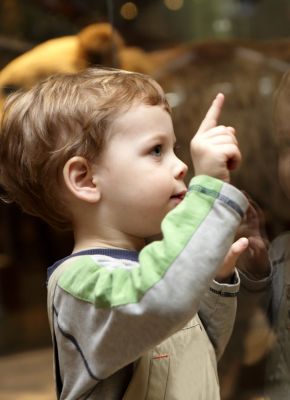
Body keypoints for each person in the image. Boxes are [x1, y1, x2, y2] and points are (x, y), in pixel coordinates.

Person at [0, 67, 249, 400]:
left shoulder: (154, 273)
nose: (182, 166)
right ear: (85, 179)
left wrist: (213, 283)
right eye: (156, 151)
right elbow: (161, 302)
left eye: (174, 148)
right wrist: (210, 191)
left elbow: (200, 354)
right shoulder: (81, 285)